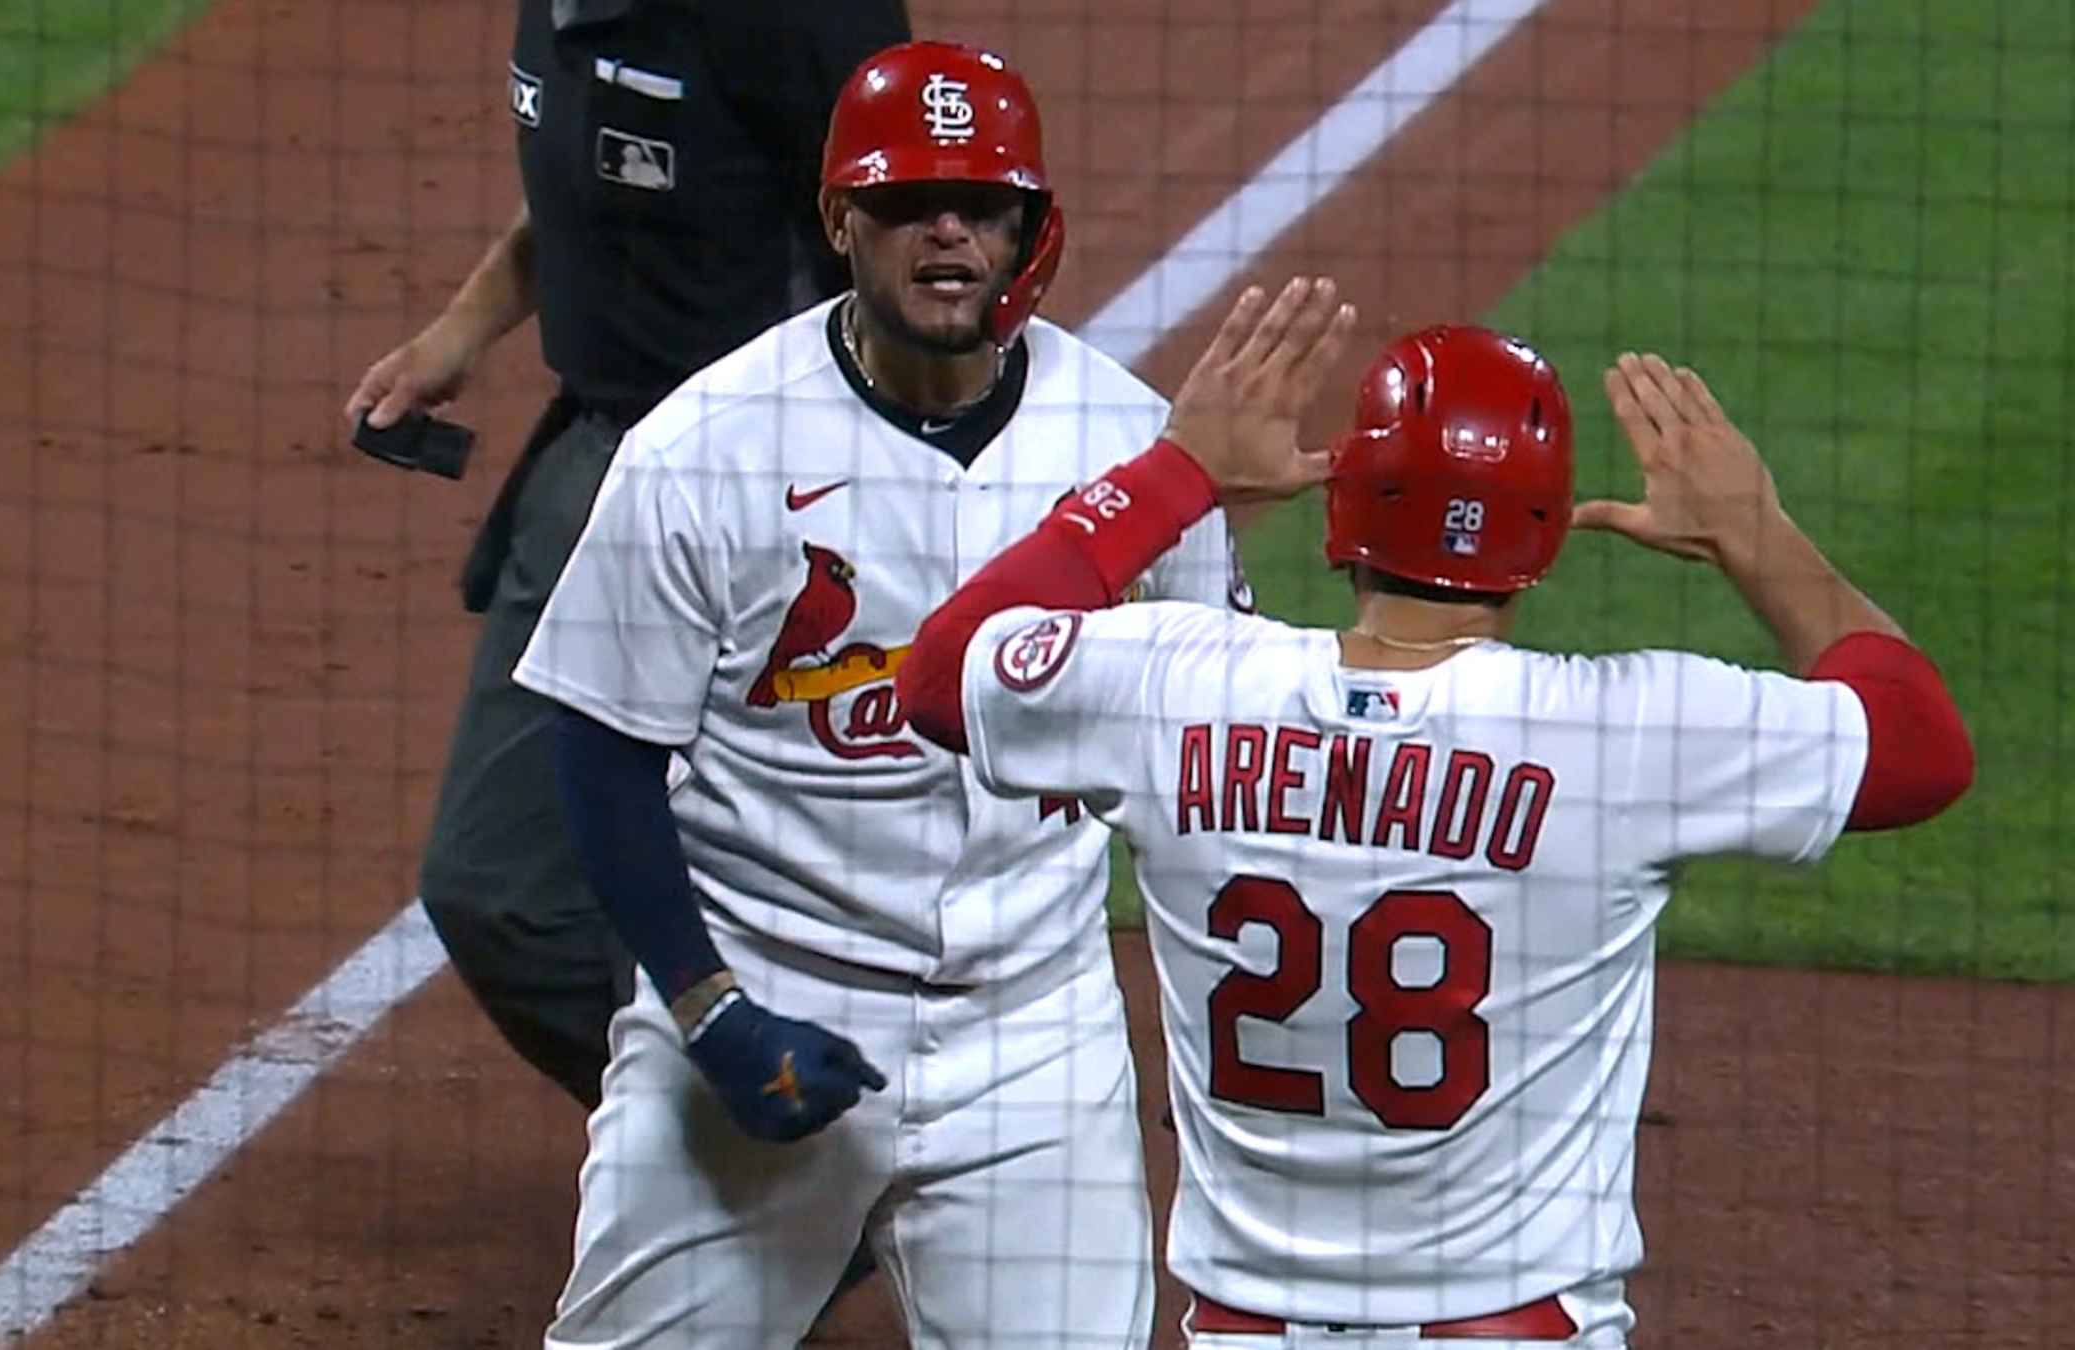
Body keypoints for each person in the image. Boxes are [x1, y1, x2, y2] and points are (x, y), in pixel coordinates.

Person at [899, 276, 1975, 1346]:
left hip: (1246, 1329)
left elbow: (939, 672)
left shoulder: (1174, 689)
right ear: (1545, 535)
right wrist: (1755, 532)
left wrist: (1181, 471)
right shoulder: (1623, 733)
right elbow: (1922, 748)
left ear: (1344, 501)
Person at [509, 40, 1255, 1349]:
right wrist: (707, 1006)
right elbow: (601, 748)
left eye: (983, 203)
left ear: (1031, 228)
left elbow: (1222, 741)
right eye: (910, 203)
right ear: (842, 222)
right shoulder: (706, 447)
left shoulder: (1132, 447)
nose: (949, 231)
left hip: (1036, 1039)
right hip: (769, 989)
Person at [342, 0, 909, 1112]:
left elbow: (909, 238)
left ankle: (803, 1149)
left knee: (784, 866)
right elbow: (580, 183)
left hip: (768, 493)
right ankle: (766, 1126)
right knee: (498, 889)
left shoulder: (797, 21)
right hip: (597, 464)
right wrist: (455, 335)